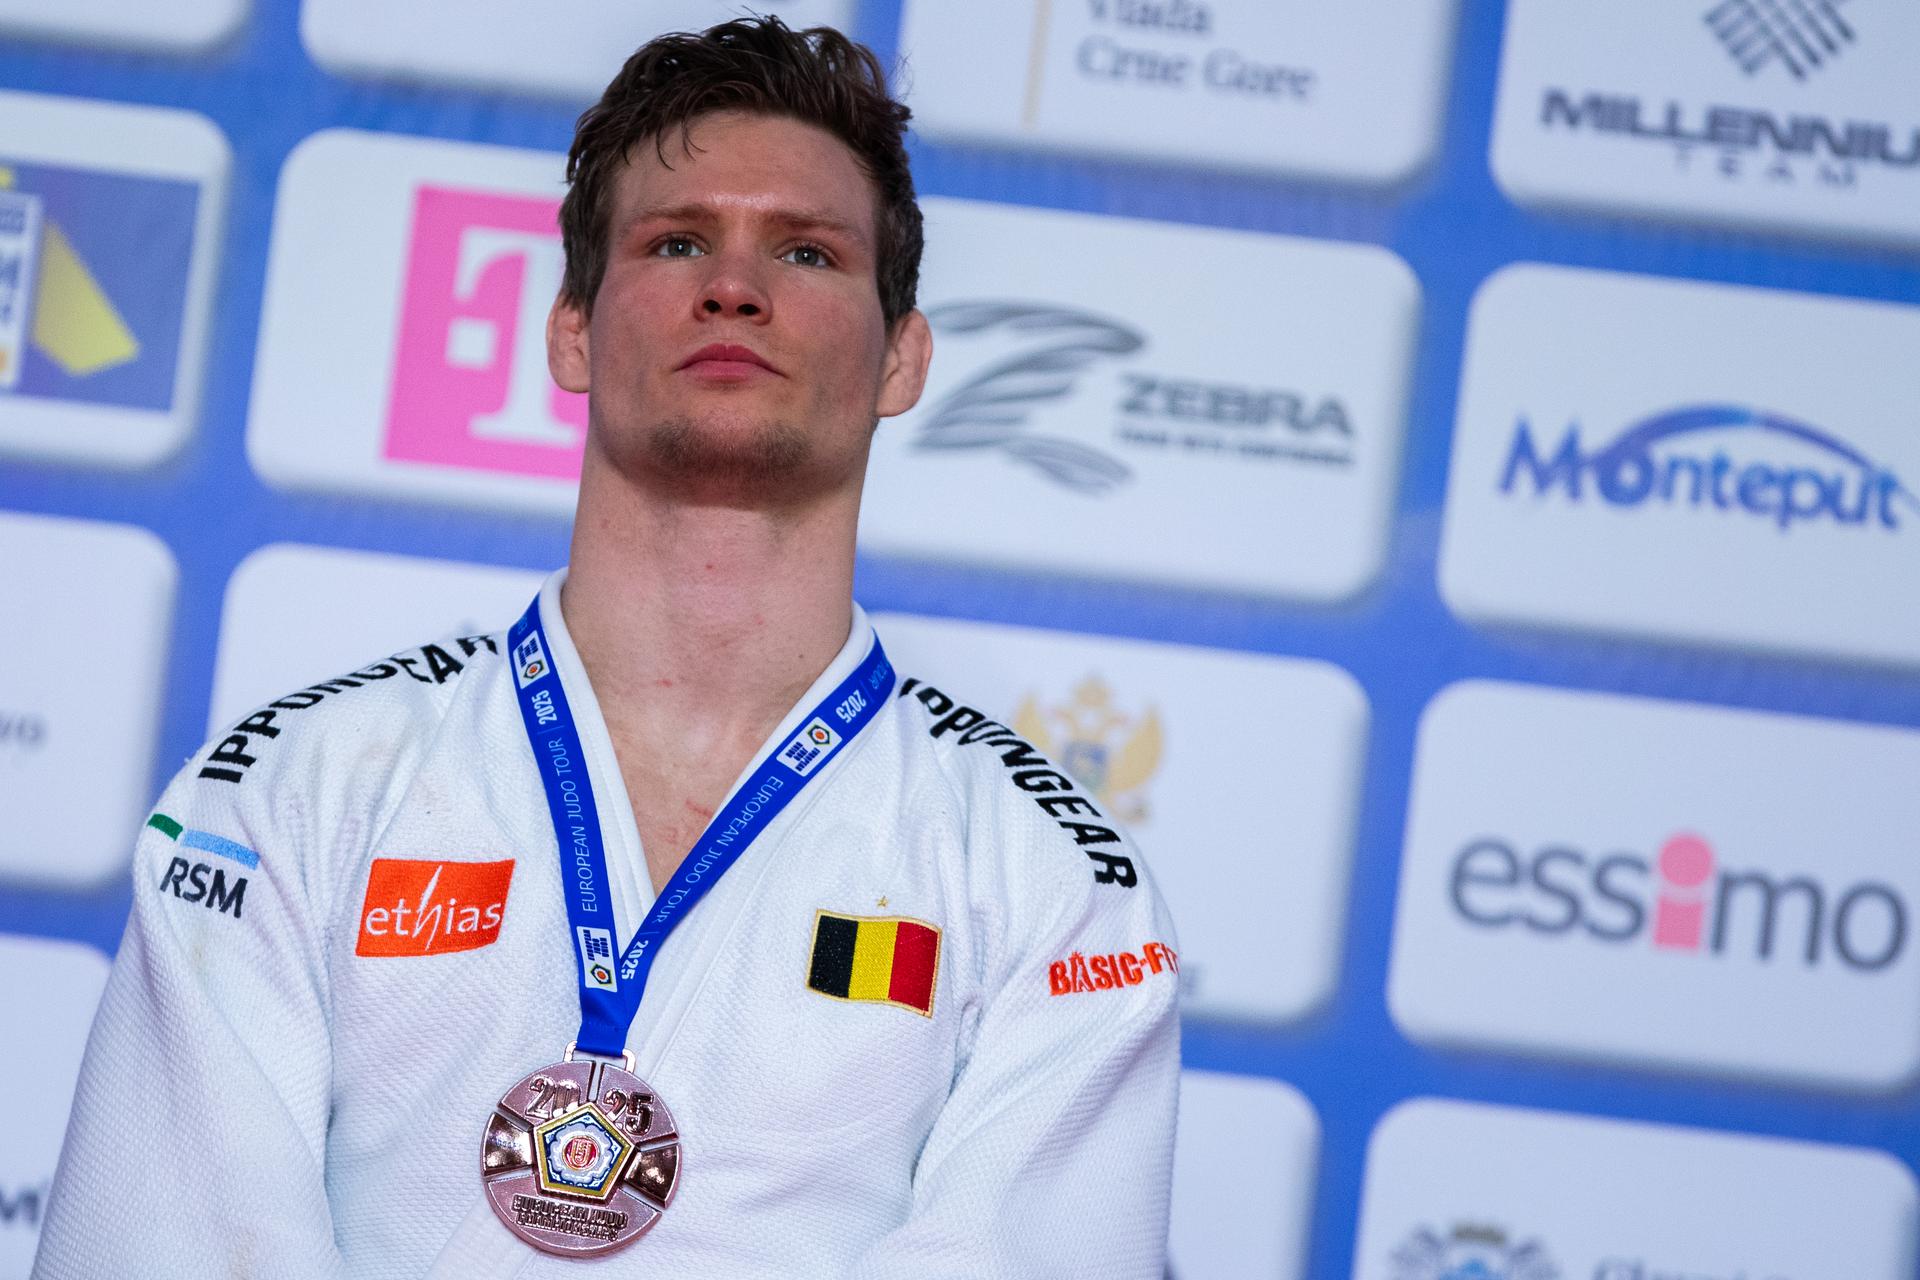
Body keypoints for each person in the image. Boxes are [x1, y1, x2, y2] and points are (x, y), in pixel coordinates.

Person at [34, 17, 1179, 1279]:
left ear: (901, 357)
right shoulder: (287, 794)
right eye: (676, 241)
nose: (733, 287)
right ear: (571, 328)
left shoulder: (1052, 881)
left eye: (806, 250)